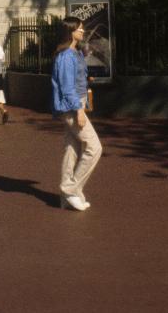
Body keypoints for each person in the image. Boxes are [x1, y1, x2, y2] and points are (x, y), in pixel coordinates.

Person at [51, 17, 102, 211]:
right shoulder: (66, 56)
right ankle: (70, 189)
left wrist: (86, 78)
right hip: (72, 106)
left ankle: (68, 198)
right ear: (70, 31)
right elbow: (67, 87)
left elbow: (75, 79)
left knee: (72, 149)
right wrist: (79, 110)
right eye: (79, 29)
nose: (82, 32)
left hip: (76, 103)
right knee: (94, 148)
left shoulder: (76, 53)